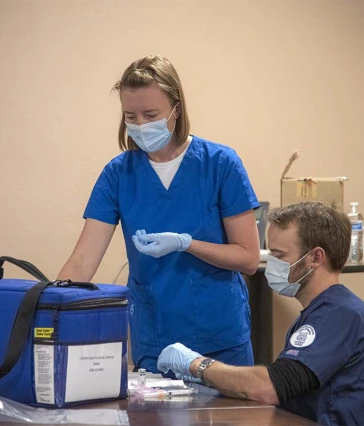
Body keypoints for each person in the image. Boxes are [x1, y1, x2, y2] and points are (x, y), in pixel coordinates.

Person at [57, 55, 261, 375]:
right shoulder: (118, 175)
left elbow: (248, 258)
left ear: (176, 110)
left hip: (220, 340)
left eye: (151, 114)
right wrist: (45, 313)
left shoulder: (220, 164)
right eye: (131, 116)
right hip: (156, 341)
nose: (140, 125)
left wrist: (186, 243)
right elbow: (81, 263)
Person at [157, 202, 364, 426]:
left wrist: (196, 364)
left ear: (315, 258)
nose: (271, 264)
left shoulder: (341, 315)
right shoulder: (317, 311)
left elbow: (269, 387)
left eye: (279, 256)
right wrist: (211, 380)